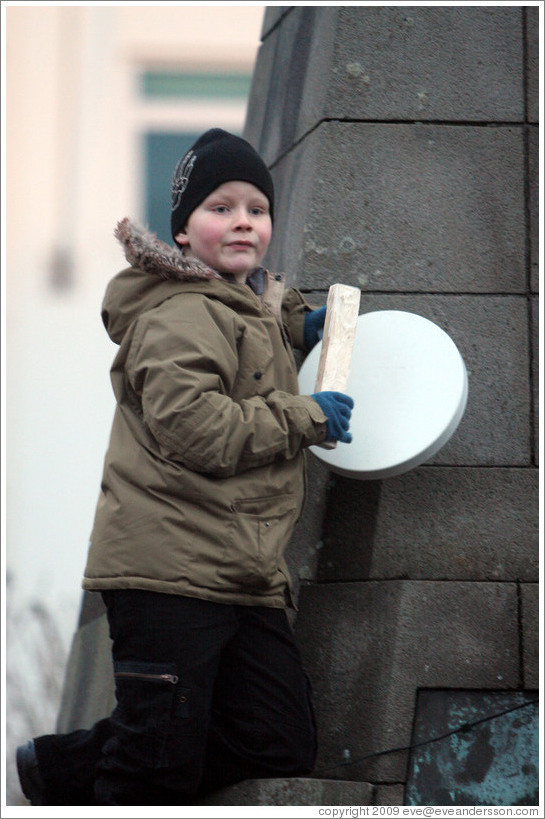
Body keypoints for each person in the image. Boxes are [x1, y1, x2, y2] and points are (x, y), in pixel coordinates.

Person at [16, 128, 354, 806]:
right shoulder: (176, 313)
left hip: (240, 573)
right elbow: (194, 427)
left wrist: (298, 327)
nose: (241, 221)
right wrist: (306, 414)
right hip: (168, 572)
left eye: (256, 209)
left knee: (276, 740)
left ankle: (60, 771)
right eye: (220, 207)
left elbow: (250, 336)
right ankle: (72, 773)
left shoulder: (243, 311)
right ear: (181, 231)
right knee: (154, 764)